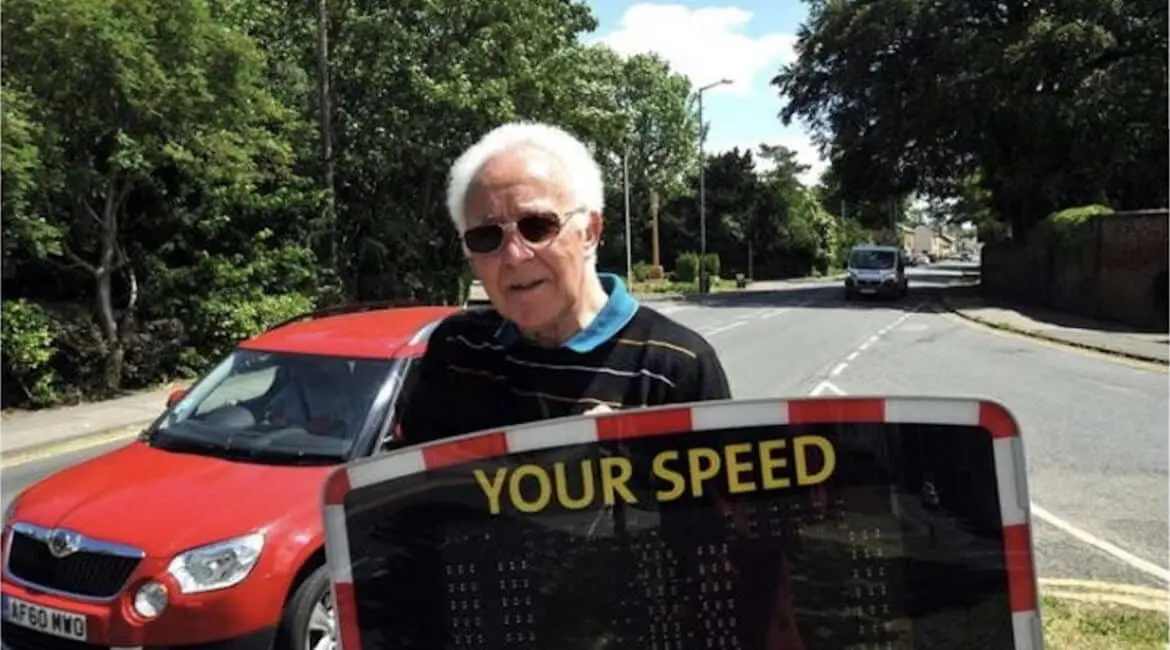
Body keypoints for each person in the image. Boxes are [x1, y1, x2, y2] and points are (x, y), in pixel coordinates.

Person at [399, 121, 731, 444]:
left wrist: (634, 469)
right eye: (486, 236)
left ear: (590, 232)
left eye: (537, 226)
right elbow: (414, 490)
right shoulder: (458, 349)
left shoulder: (678, 366)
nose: (515, 255)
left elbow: (730, 497)